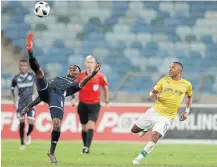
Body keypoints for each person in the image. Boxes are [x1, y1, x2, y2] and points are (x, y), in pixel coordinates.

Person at [21, 32, 101, 164]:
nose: (72, 68)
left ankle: (51, 152)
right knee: (40, 72)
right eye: (70, 67)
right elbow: (42, 96)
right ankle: (30, 50)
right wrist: (28, 107)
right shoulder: (57, 78)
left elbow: (84, 81)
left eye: (75, 68)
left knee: (57, 125)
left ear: (77, 73)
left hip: (57, 98)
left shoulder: (75, 84)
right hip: (47, 90)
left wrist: (92, 74)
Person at [131, 62, 193, 164]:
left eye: (173, 68)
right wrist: (152, 95)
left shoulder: (187, 84)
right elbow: (152, 92)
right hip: (154, 111)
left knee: (156, 136)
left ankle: (138, 158)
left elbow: (189, 97)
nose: (170, 69)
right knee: (134, 130)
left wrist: (186, 112)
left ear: (179, 71)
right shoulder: (164, 80)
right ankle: (147, 128)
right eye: (169, 67)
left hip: (167, 117)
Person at [73, 55, 109, 154]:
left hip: (95, 105)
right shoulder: (80, 75)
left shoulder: (100, 76)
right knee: (84, 127)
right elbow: (74, 88)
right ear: (85, 64)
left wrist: (106, 101)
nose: (89, 64)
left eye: (91, 62)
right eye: (88, 62)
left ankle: (87, 148)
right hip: (82, 104)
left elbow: (105, 88)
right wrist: (73, 99)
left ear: (95, 64)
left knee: (91, 125)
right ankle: (85, 145)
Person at [11, 59, 36, 150]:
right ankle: (22, 143)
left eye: (25, 65)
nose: (23, 67)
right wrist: (14, 100)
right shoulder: (15, 78)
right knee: (21, 123)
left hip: (31, 103)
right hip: (21, 103)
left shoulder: (32, 76)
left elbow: (39, 85)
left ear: (27, 67)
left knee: (31, 124)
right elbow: (13, 89)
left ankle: (28, 134)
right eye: (21, 65)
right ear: (19, 67)